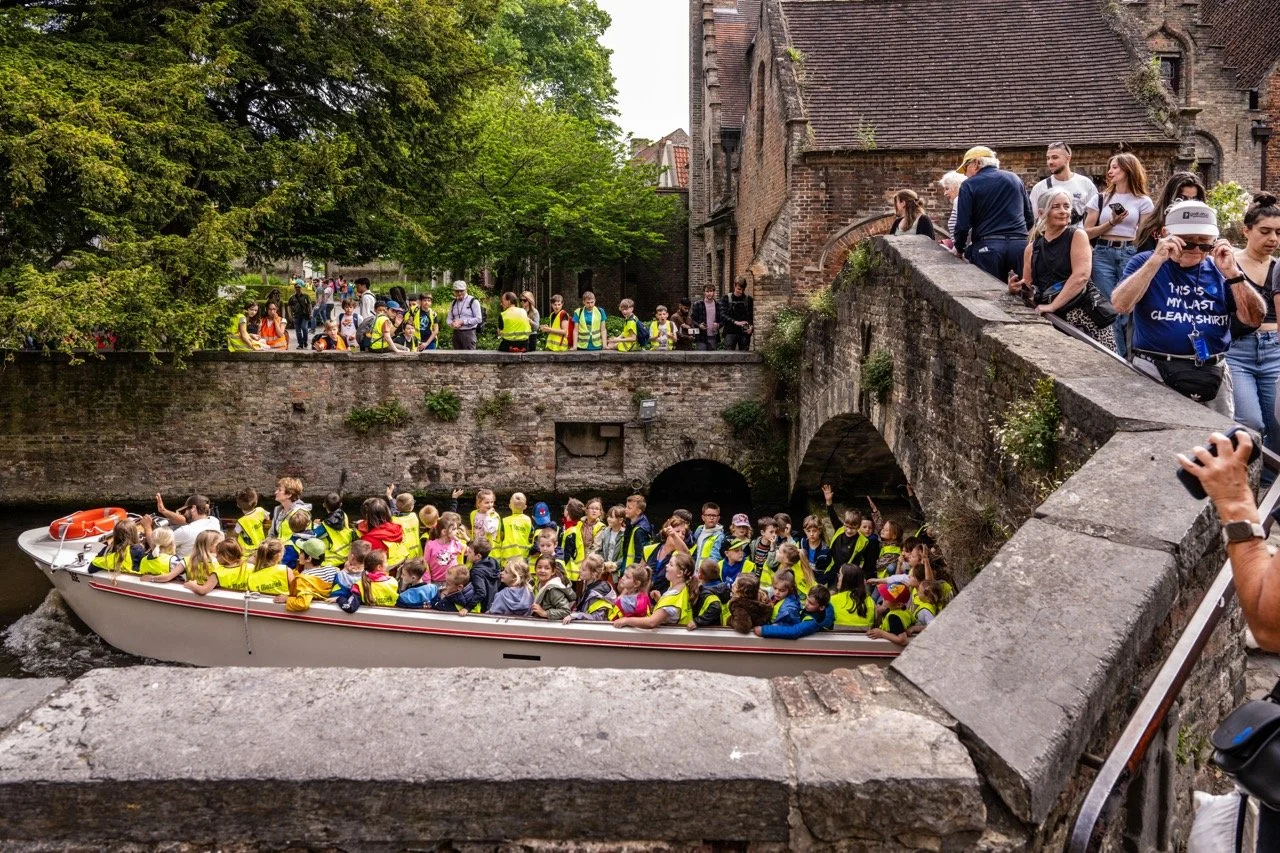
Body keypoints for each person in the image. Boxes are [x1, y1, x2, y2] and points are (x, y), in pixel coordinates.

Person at [1112, 199, 1266, 417]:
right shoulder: (1145, 262)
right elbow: (1121, 304)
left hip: (1212, 370)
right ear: (1166, 233)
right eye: (1187, 243)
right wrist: (1155, 261)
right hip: (1156, 367)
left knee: (1215, 442)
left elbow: (1253, 319)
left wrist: (1233, 274)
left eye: (1204, 244)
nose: (1195, 250)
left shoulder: (1221, 268)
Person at [1009, 187, 1117, 348]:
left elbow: (1081, 277)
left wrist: (1052, 306)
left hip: (1083, 316)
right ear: (1041, 213)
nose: (1063, 211)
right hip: (1055, 320)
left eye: (1066, 206)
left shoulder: (1077, 236)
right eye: (1056, 206)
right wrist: (1016, 288)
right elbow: (1030, 288)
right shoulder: (1032, 248)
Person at [1225, 194, 1280, 465]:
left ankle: (1270, 489)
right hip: (1239, 350)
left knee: (1277, 425)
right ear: (1246, 230)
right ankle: (1248, 482)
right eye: (1265, 231)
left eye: (1279, 233)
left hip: (1274, 351)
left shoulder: (1278, 267)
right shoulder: (1229, 262)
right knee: (1249, 421)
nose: (1273, 239)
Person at [1084, 153, 1155, 357]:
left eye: (1115, 167)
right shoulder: (1100, 198)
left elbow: (1144, 233)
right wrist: (1111, 223)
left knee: (1127, 306)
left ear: (1128, 170)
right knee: (1108, 306)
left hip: (1129, 252)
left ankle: (1130, 354)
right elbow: (1086, 232)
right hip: (1103, 252)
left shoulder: (1143, 201)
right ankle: (1117, 355)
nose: (1110, 171)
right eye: (1110, 167)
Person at [951, 145, 1034, 282]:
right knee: (1020, 294)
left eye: (966, 168)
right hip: (1019, 247)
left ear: (976, 163)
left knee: (989, 296)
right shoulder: (1015, 179)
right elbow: (1029, 217)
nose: (965, 174)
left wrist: (959, 248)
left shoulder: (969, 185)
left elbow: (963, 225)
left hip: (988, 247)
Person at [613, 551, 695, 628]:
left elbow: (651, 622)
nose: (666, 565)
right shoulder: (684, 588)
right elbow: (671, 613)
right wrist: (660, 600)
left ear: (680, 573)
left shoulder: (673, 598)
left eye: (671, 564)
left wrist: (626, 620)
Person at [1027, 142, 1097, 223]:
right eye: (1048, 158)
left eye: (1055, 157)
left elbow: (1095, 215)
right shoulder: (1039, 188)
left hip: (1078, 233)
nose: (1050, 162)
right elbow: (1035, 220)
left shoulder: (1086, 184)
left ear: (1068, 158)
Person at [1136, 172, 1205, 252]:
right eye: (1183, 198)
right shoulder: (1152, 230)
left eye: (1194, 199)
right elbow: (1143, 261)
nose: (1189, 203)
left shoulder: (1204, 227)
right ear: (1170, 198)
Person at [155, 493, 221, 559]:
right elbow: (185, 521)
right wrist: (163, 510)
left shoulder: (185, 531)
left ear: (193, 508)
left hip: (182, 567)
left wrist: (147, 528)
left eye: (185, 510)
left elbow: (158, 549)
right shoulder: (214, 521)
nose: (184, 513)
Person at [755, 586, 834, 639]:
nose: (806, 603)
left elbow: (794, 631)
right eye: (807, 600)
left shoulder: (813, 622)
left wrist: (765, 630)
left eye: (811, 603)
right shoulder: (816, 606)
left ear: (821, 607)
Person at [531, 556, 573, 620]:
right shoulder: (537, 584)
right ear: (535, 569)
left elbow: (566, 611)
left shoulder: (553, 590)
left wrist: (545, 613)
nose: (542, 570)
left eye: (547, 568)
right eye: (539, 567)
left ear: (553, 571)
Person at [447, 281, 483, 350]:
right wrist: (452, 324)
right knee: (457, 357)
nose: (459, 293)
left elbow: (479, 319)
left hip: (469, 333)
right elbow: (448, 319)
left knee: (470, 358)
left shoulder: (473, 301)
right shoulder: (453, 302)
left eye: (461, 290)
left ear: (466, 289)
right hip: (456, 333)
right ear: (454, 291)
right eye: (457, 291)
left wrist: (463, 322)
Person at [720, 279, 755, 351]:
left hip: (744, 332)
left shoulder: (748, 300)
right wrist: (735, 322)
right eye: (739, 289)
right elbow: (722, 314)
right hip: (730, 331)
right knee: (729, 356)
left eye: (743, 289)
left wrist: (751, 326)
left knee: (744, 357)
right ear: (734, 286)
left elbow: (752, 316)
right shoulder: (726, 298)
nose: (741, 292)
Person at [937, 171, 967, 250]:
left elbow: (964, 228)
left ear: (957, 186)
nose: (945, 193)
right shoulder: (963, 200)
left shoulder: (959, 200)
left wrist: (958, 249)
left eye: (947, 188)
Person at [691, 284, 720, 350]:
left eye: (711, 291)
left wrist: (718, 325)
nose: (709, 293)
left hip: (713, 336)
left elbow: (722, 320)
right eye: (707, 291)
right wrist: (699, 325)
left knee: (713, 358)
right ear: (704, 292)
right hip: (701, 336)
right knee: (700, 357)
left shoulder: (718, 305)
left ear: (714, 292)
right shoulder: (697, 304)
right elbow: (692, 319)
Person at [287, 282, 312, 349]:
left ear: (301, 288)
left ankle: (305, 341)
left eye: (299, 287)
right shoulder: (292, 297)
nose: (298, 288)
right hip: (296, 315)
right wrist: (289, 315)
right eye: (296, 287)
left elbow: (309, 305)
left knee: (304, 328)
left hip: (305, 315)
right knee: (298, 331)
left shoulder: (306, 296)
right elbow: (289, 306)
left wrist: (311, 313)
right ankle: (300, 344)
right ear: (294, 288)